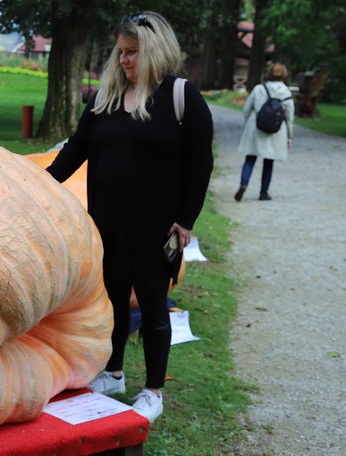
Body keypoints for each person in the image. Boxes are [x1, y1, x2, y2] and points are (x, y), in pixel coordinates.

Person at [46, 11, 213, 423]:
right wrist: (41, 185)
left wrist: (186, 219)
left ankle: (153, 390)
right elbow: (77, 149)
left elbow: (200, 163)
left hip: (157, 227)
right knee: (114, 302)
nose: (123, 60)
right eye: (120, 51)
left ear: (155, 51)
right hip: (106, 223)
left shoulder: (181, 96)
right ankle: (114, 372)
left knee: (153, 307)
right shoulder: (106, 95)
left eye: (132, 52)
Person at [234, 63, 294, 201]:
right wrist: (289, 138)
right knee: (269, 162)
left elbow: (246, 110)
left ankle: (243, 184)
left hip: (256, 127)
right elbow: (290, 119)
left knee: (250, 159)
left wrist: (248, 125)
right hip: (276, 131)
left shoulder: (259, 89)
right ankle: (263, 192)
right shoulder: (286, 93)